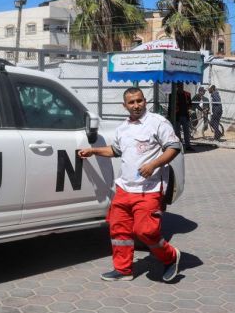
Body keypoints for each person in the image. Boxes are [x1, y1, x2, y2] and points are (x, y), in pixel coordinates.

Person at [78, 87, 182, 282]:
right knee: (119, 230)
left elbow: (174, 148)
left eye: (139, 101)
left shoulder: (157, 123)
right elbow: (115, 151)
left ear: (145, 101)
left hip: (148, 189)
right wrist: (93, 152)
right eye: (132, 102)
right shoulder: (123, 128)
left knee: (146, 231)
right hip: (124, 188)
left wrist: (153, 164)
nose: (136, 105)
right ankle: (123, 269)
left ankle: (170, 257)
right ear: (124, 105)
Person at [168, 83, 193, 151]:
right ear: (176, 86)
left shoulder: (187, 94)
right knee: (177, 132)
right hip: (176, 116)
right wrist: (169, 116)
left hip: (185, 116)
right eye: (179, 85)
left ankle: (188, 146)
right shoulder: (172, 95)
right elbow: (170, 107)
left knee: (187, 132)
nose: (180, 87)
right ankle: (179, 146)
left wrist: (190, 110)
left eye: (181, 85)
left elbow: (190, 104)